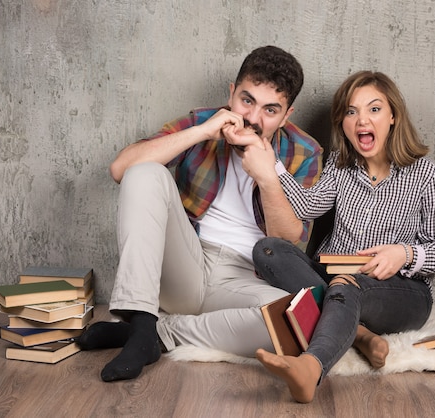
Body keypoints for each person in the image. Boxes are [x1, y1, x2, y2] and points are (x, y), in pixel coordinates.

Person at [77, 46, 323, 382]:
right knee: (144, 172)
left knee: (296, 322)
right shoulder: (203, 122)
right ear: (231, 93)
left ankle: (153, 332)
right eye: (246, 100)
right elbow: (121, 168)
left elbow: (288, 241)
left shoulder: (305, 152)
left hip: (245, 279)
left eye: (270, 109)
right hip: (186, 264)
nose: (252, 118)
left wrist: (267, 175)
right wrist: (203, 132)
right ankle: (141, 315)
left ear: (286, 115)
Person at [250, 70, 435, 403]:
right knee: (268, 250)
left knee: (346, 284)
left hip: (400, 292)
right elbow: (306, 207)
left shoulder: (427, 175)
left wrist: (402, 254)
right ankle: (359, 335)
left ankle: (311, 366)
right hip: (332, 276)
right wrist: (270, 164)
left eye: (374, 109)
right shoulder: (340, 165)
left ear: (393, 116)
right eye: (351, 111)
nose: (362, 119)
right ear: (343, 123)